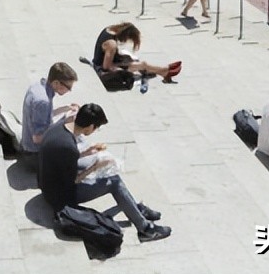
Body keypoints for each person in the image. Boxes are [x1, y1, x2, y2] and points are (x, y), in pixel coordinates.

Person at [37, 103, 170, 242]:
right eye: (96, 127)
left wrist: (86, 153)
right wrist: (95, 167)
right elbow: (74, 180)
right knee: (114, 182)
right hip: (59, 196)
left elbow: (63, 157)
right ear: (90, 126)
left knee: (109, 177)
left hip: (47, 183)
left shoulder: (59, 128)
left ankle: (135, 209)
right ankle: (145, 229)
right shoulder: (68, 146)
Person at [19, 62, 79, 169]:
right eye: (68, 87)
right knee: (76, 155)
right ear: (56, 83)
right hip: (34, 155)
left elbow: (44, 115)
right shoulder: (43, 102)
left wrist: (66, 108)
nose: (69, 91)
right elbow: (38, 138)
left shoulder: (38, 87)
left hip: (27, 146)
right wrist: (65, 124)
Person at [93, 22, 181, 86]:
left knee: (134, 61)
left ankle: (162, 72)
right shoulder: (112, 44)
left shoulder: (109, 29)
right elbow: (106, 67)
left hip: (105, 61)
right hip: (101, 68)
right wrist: (124, 64)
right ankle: (164, 71)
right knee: (142, 65)